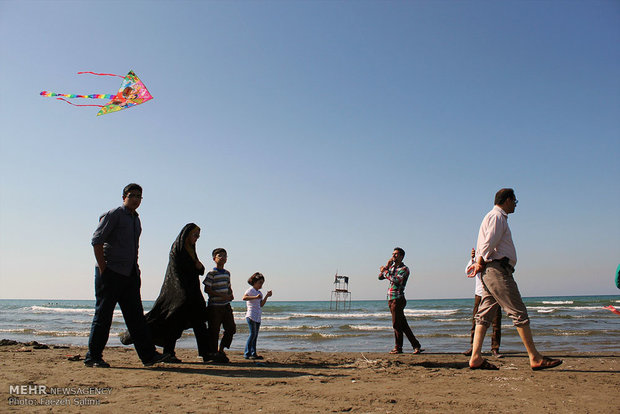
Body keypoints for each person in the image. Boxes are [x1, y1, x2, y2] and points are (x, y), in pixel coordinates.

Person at [467, 188, 562, 371]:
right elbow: (488, 243)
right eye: (515, 201)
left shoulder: (492, 217)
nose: (515, 205)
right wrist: (479, 262)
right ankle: (534, 357)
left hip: (491, 270)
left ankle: (476, 357)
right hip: (497, 270)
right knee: (518, 312)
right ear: (508, 200)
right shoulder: (497, 217)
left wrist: (480, 263)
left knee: (485, 313)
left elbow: (485, 244)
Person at [85, 183, 169, 368]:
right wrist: (103, 268)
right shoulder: (114, 214)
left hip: (129, 274)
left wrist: (135, 270)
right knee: (103, 316)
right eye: (132, 195)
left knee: (136, 317)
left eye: (139, 196)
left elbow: (133, 248)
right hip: (110, 273)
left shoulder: (136, 219)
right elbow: (96, 240)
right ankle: (93, 357)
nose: (136, 199)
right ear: (124, 197)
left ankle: (148, 356)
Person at [119, 223, 209, 362]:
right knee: (173, 323)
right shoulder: (177, 248)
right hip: (178, 293)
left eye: (198, 236)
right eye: (195, 235)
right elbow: (177, 271)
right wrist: (182, 291)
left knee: (199, 321)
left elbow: (199, 269)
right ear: (187, 234)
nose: (197, 238)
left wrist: (199, 266)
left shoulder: (191, 249)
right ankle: (169, 352)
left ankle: (205, 353)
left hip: (193, 293)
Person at [378, 247, 423, 354]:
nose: (393, 255)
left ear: (401, 256)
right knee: (402, 325)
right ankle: (416, 345)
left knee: (396, 324)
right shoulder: (392, 268)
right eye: (393, 253)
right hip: (391, 298)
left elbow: (396, 280)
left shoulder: (404, 269)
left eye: (396, 254)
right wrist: (387, 267)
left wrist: (385, 271)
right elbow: (380, 277)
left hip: (397, 299)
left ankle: (398, 347)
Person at [463, 248, 502, 358]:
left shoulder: (493, 258)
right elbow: (468, 271)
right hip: (479, 293)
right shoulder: (476, 259)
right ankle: (473, 347)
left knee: (496, 322)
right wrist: (472, 259)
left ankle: (495, 348)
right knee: (475, 321)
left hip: (494, 292)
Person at [203, 248, 236, 363]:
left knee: (231, 328)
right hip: (215, 306)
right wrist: (221, 296)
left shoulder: (227, 273)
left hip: (226, 305)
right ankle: (213, 352)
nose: (222, 257)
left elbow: (228, 286)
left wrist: (230, 294)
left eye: (224, 256)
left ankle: (221, 349)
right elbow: (207, 289)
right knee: (214, 330)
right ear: (214, 259)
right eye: (219, 255)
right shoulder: (211, 274)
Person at [242, 272, 272, 360]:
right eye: (259, 282)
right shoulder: (250, 290)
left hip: (257, 316)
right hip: (251, 315)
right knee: (252, 334)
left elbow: (261, 304)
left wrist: (266, 296)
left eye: (262, 283)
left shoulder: (259, 293)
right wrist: (255, 297)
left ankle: (253, 353)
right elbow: (244, 298)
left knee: (255, 335)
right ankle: (247, 353)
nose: (261, 285)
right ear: (254, 282)